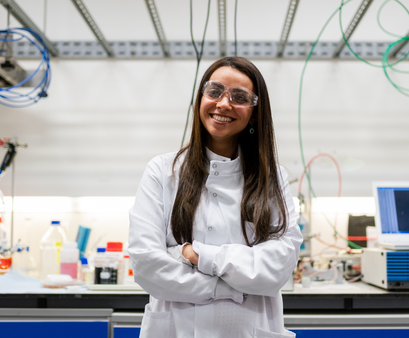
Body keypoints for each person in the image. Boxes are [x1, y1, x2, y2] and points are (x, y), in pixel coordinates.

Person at [128, 56, 302, 338]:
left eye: (239, 97)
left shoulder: (273, 178)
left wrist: (193, 255)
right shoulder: (162, 172)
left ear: (255, 113)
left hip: (249, 329)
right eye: (214, 91)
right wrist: (230, 287)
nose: (223, 103)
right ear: (200, 99)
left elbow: (277, 269)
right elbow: (148, 266)